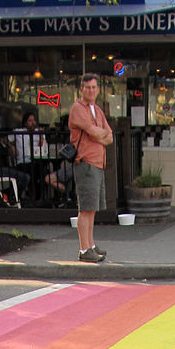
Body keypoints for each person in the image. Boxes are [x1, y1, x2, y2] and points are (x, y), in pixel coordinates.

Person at [68, 72, 113, 263]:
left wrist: (98, 134)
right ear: (81, 89)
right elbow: (93, 131)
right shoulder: (77, 108)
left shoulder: (97, 110)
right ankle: (84, 248)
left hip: (98, 163)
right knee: (85, 208)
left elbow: (109, 136)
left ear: (98, 89)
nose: (91, 90)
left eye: (94, 87)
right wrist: (98, 134)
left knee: (92, 208)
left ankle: (91, 245)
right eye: (87, 87)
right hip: (85, 162)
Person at [0, 115, 30, 201]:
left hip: (2, 167)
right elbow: (1, 151)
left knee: (24, 171)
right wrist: (8, 149)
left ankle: (10, 195)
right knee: (26, 177)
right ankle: (9, 194)